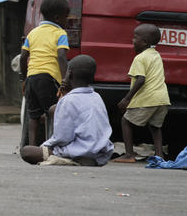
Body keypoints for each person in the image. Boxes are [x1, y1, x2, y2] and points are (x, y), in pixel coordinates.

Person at [21, 55, 114, 166]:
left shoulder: (68, 101)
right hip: (99, 154)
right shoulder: (97, 97)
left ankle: (74, 159)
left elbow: (63, 138)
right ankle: (86, 159)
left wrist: (45, 146)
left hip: (78, 151)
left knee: (26, 151)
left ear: (69, 74)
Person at [113, 24, 171, 163]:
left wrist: (127, 99)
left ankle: (129, 154)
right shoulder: (156, 55)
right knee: (155, 127)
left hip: (148, 99)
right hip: (162, 99)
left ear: (144, 42)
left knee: (125, 121)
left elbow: (141, 80)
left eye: (135, 38)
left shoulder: (140, 58)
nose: (132, 40)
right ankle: (159, 155)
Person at [19, 0, 69, 146]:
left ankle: (32, 148)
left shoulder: (33, 33)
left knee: (33, 116)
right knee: (53, 113)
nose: (67, 20)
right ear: (58, 18)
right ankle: (51, 147)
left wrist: (23, 78)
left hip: (31, 78)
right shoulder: (60, 33)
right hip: (49, 78)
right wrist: (65, 79)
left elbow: (22, 58)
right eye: (66, 17)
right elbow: (61, 56)